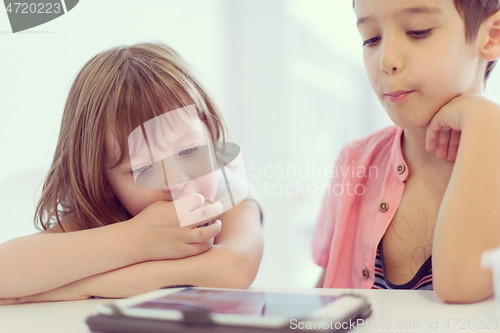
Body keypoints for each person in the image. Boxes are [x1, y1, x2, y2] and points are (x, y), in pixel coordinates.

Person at [0, 43, 263, 304]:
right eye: (144, 168)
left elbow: (235, 269)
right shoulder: (104, 212)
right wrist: (137, 238)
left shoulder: (227, 192)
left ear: (212, 136)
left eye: (188, 152)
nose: (176, 182)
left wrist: (83, 285)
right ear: (105, 183)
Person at [313, 0, 500, 303]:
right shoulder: (356, 161)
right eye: (371, 38)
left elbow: (460, 285)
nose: (386, 59)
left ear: (491, 36)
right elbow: (324, 292)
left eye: (418, 31)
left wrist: (486, 120)